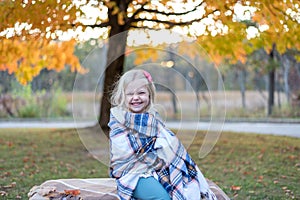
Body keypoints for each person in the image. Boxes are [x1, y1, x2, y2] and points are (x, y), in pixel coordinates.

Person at [108, 69, 217, 200]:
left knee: (183, 190)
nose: (135, 97)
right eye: (129, 94)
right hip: (132, 173)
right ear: (122, 96)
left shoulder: (152, 118)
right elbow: (124, 153)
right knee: (162, 198)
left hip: (156, 169)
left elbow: (168, 145)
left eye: (141, 93)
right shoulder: (118, 120)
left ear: (150, 95)